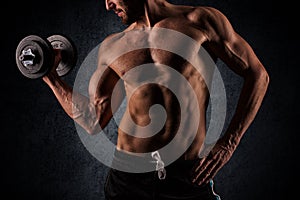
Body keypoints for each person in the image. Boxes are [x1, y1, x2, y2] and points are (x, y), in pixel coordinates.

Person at [42, 0, 270, 199]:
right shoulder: (112, 46)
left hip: (188, 174)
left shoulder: (200, 21)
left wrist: (229, 142)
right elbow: (94, 120)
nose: (108, 5)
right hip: (128, 177)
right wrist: (49, 75)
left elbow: (258, 74)